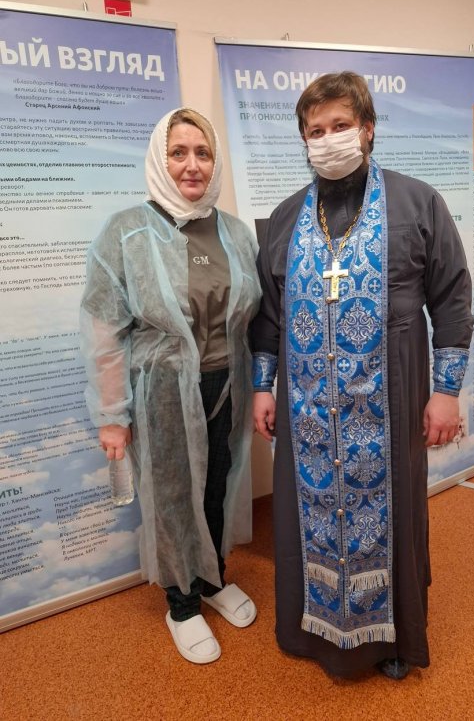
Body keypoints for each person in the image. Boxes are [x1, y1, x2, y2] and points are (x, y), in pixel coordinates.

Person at [251, 72, 474, 679]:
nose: (329, 139)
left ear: (367, 129)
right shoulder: (285, 218)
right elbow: (268, 313)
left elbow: (452, 298)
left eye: (341, 125)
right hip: (306, 413)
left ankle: (391, 642)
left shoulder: (417, 203)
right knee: (305, 518)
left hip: (391, 401)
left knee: (395, 515)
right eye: (315, 130)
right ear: (304, 139)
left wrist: (446, 392)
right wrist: (262, 386)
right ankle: (312, 633)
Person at [81, 108, 261, 664]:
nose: (192, 165)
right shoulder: (126, 231)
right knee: (173, 495)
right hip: (160, 391)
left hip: (227, 384)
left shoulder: (234, 233)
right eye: (177, 153)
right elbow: (104, 330)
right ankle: (181, 604)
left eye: (202, 153)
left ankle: (211, 577)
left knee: (217, 487)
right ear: (160, 161)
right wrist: (112, 415)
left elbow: (251, 315)